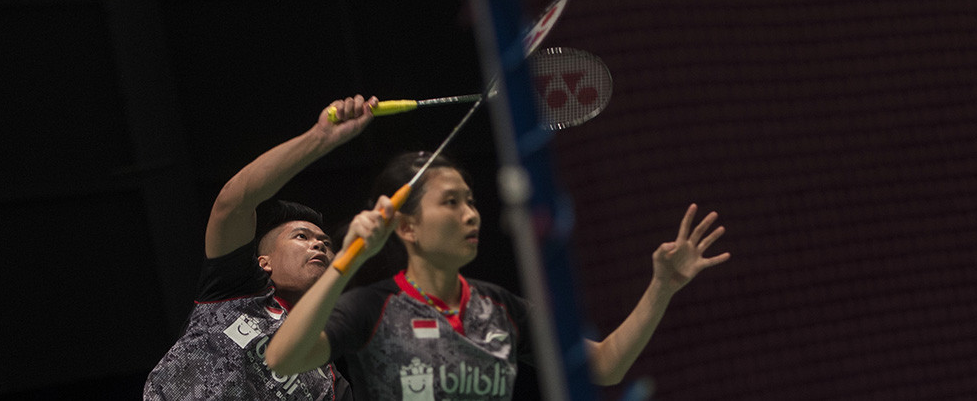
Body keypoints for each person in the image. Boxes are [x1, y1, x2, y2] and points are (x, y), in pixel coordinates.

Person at [266, 151, 731, 400]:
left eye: (470, 200)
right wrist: (347, 260)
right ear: (406, 227)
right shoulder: (372, 308)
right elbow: (282, 359)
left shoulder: (500, 308)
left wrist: (662, 286)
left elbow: (606, 365)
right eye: (451, 202)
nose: (471, 215)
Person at [143, 95, 378, 400]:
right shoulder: (235, 292)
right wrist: (318, 139)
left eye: (325, 243)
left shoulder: (330, 382)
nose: (319, 244)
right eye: (301, 237)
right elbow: (234, 203)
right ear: (263, 262)